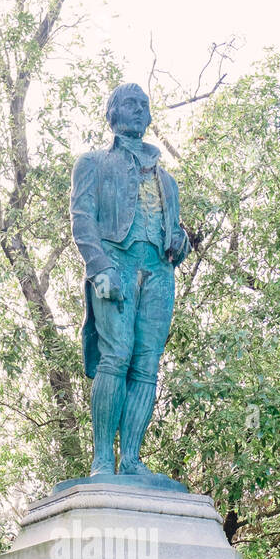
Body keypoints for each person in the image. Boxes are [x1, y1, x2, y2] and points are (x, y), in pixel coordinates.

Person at [70, 82, 191, 478]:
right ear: (113, 113)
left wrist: (181, 239)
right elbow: (82, 218)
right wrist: (99, 266)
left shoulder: (167, 180)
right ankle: (103, 459)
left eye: (144, 105)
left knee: (146, 365)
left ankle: (132, 460)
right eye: (130, 104)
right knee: (116, 356)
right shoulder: (92, 163)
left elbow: (176, 232)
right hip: (115, 265)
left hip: (158, 272)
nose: (139, 110)